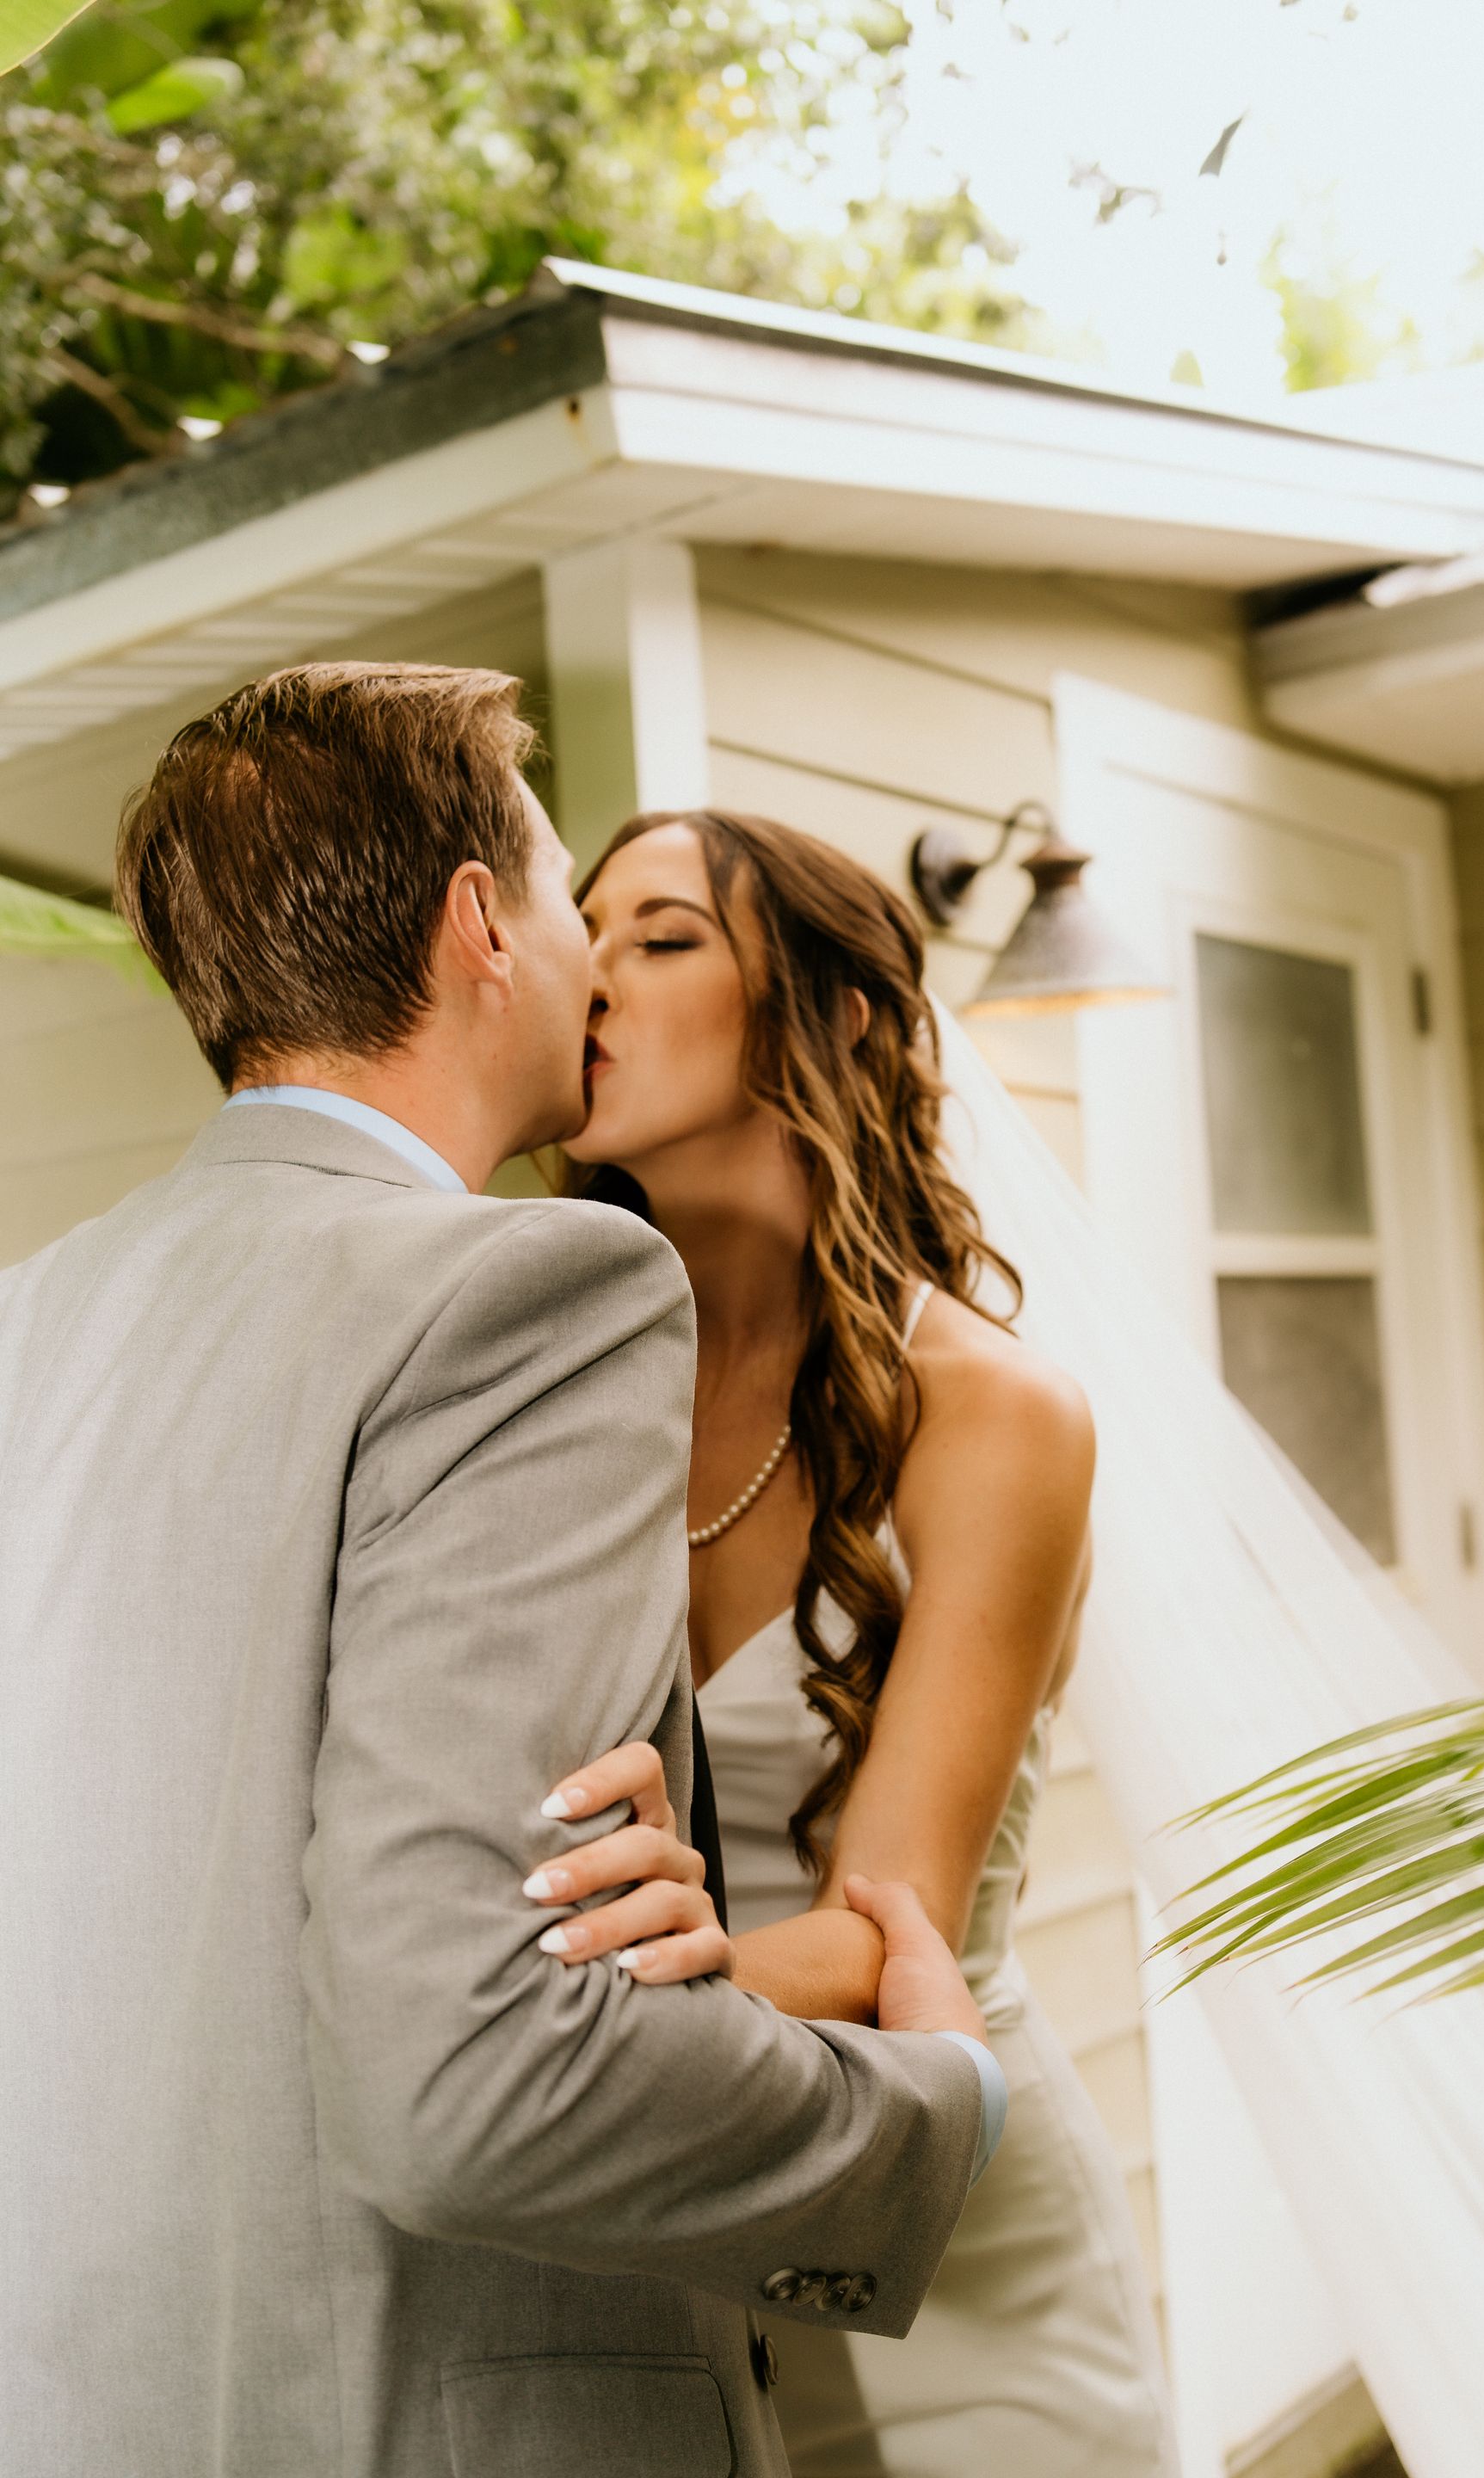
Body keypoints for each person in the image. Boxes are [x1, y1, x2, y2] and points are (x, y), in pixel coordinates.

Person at [0, 665, 1006, 2478]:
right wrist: (928, 2104)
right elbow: (470, 2084)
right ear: (481, 925)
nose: (595, 959)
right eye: (564, 896)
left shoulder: (31, 1318)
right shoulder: (526, 1290)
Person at [522, 808, 1177, 2477]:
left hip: (932, 2210)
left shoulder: (993, 1413)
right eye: (580, 933)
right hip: (645, 2225)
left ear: (846, 1018)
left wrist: (492, 2026)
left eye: (662, 939)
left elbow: (889, 1934)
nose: (593, 978)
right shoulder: (541, 1396)